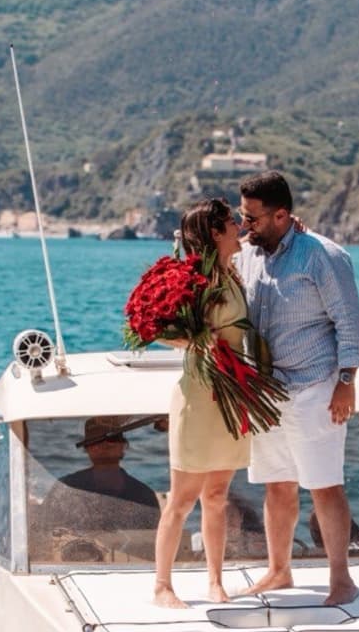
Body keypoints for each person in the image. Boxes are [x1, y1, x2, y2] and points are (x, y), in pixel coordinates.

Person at [237, 170, 359, 606]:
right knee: (277, 483)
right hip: (267, 393)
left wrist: (346, 382)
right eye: (242, 217)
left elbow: (349, 322)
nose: (245, 227)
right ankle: (279, 571)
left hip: (315, 386)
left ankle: (341, 580)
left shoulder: (322, 256)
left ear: (281, 215)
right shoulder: (248, 254)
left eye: (252, 219)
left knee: (325, 485)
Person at [153, 197, 255, 607]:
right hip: (200, 395)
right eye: (232, 222)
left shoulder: (231, 273)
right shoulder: (193, 278)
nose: (239, 226)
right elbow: (157, 328)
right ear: (215, 232)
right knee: (181, 499)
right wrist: (197, 340)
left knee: (217, 496)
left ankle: (215, 581)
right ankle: (162, 585)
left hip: (231, 395)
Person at [35, 417, 161, 559]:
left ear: (123, 445)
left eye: (113, 438)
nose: (105, 444)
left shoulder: (144, 495)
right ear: (88, 448)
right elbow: (44, 538)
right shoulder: (64, 490)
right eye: (96, 440)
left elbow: (155, 543)